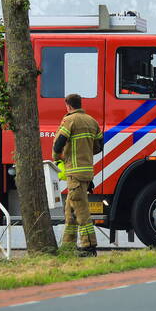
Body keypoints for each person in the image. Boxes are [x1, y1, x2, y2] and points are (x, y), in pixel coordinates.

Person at [53, 93, 103, 256]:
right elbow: (99, 146)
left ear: (68, 105)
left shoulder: (69, 120)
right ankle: (68, 247)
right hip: (87, 172)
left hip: (74, 173)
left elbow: (59, 142)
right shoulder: (92, 121)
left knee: (81, 211)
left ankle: (90, 247)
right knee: (71, 212)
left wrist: (57, 157)